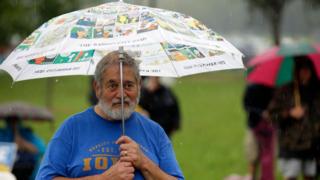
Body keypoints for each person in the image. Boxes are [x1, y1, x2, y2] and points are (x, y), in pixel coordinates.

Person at [36, 50, 184, 179]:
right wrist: (103, 178)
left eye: (128, 85)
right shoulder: (72, 129)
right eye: (112, 85)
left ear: (139, 86)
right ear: (97, 88)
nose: (121, 94)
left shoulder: (155, 132)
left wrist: (144, 163)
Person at [267, 56, 320, 180]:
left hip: (313, 145)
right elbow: (271, 116)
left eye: (308, 70)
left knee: (310, 176)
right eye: (302, 70)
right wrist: (289, 113)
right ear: (297, 71)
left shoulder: (317, 92)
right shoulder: (285, 91)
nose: (305, 73)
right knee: (291, 177)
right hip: (291, 145)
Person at [243, 83, 275, 180]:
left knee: (268, 157)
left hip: (270, 128)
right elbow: (246, 105)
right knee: (253, 156)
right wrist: (261, 112)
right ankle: (251, 176)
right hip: (254, 126)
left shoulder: (273, 89)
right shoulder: (251, 88)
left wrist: (270, 112)